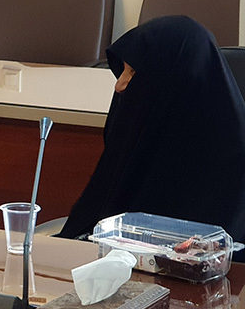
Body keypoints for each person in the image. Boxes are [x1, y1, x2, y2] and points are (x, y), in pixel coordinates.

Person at [60, 15, 245, 240]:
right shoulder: (146, 129)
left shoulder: (231, 162)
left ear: (171, 80)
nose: (119, 84)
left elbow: (218, 251)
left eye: (133, 72)